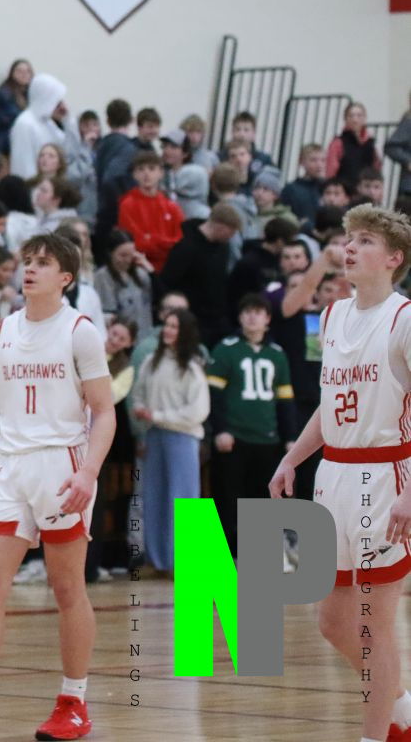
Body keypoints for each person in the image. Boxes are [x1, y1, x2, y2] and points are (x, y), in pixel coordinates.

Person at [0, 233, 116, 742]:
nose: (29, 269)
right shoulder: (1, 332)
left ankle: (73, 702)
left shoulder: (80, 332)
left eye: (43, 263)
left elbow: (104, 412)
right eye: (27, 261)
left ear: (66, 278)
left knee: (66, 588)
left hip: (62, 466)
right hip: (9, 470)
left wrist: (88, 472)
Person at [268, 205, 411, 742]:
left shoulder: (404, 319)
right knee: (332, 623)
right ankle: (401, 707)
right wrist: (292, 457)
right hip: (333, 476)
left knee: (375, 626)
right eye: (350, 238)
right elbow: (330, 404)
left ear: (394, 258)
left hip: (386, 476)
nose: (350, 247)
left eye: (366, 240)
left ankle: (378, 734)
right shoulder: (329, 317)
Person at [207, 294, 295, 557]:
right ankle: (222, 559)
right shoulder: (226, 349)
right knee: (227, 499)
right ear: (240, 317)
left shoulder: (277, 354)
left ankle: (261, 556)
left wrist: (290, 436)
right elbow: (214, 396)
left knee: (264, 499)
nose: (252, 317)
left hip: (267, 439)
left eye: (258, 312)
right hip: (233, 438)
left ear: (267, 319)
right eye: (247, 312)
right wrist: (221, 430)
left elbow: (285, 401)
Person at [131, 308, 208, 575]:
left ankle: (184, 562)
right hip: (155, 435)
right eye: (167, 325)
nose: (168, 330)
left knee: (184, 499)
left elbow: (198, 411)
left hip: (183, 438)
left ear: (184, 331)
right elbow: (138, 394)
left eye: (174, 326)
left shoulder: (192, 368)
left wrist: (159, 415)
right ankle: (158, 560)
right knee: (154, 497)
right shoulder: (150, 362)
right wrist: (141, 411)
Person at [157, 203, 245, 347]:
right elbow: (168, 281)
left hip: (217, 317)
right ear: (219, 227)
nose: (231, 237)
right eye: (230, 233)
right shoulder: (186, 246)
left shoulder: (223, 247)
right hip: (194, 318)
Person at [117, 150, 184, 273]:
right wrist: (163, 243)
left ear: (161, 173)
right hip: (138, 270)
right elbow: (135, 244)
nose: (146, 174)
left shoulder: (172, 207)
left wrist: (151, 238)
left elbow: (180, 243)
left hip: (167, 270)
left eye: (152, 169)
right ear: (134, 174)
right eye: (141, 169)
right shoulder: (127, 204)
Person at [94, 229, 154, 340]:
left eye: (131, 255)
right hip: (121, 337)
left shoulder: (141, 274)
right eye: (123, 255)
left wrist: (151, 271)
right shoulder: (102, 277)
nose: (127, 260)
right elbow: (108, 311)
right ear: (110, 253)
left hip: (145, 334)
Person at [8, 73, 67, 180]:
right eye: (56, 101)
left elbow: (64, 147)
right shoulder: (24, 124)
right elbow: (23, 164)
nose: (60, 106)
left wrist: (66, 119)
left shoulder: (47, 121)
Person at [324, 100, 379, 185]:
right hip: (344, 189)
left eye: (359, 116)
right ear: (345, 119)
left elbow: (376, 168)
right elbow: (331, 171)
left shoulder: (370, 143)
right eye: (351, 116)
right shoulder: (338, 142)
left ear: (365, 118)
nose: (355, 120)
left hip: (366, 189)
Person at [0, 59, 32, 157]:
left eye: (27, 71)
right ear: (12, 74)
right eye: (20, 71)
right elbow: (15, 119)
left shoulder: (28, 94)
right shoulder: (4, 94)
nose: (24, 74)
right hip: (2, 142)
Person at [281, 143, 328, 226]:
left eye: (323, 160)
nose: (319, 165)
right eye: (313, 160)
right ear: (302, 161)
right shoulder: (291, 189)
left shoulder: (328, 188)